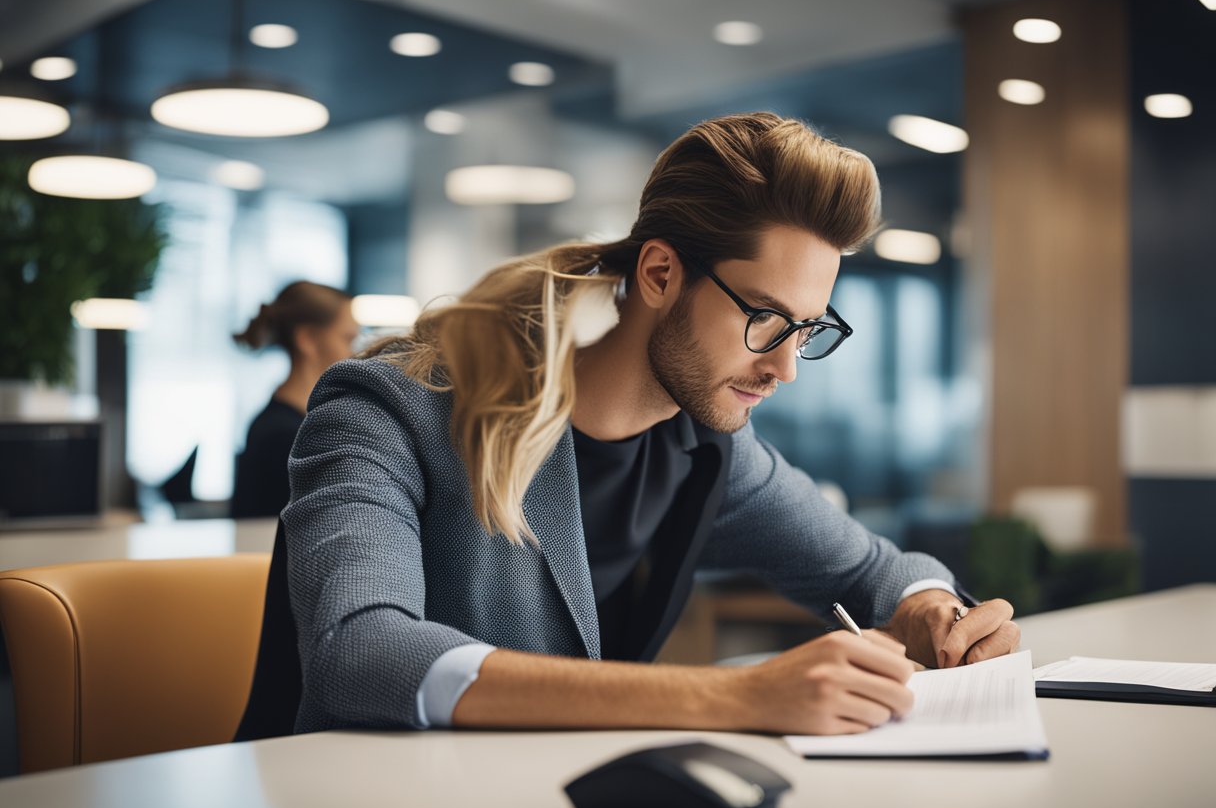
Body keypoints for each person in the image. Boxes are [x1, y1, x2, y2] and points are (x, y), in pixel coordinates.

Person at [249, 112, 1020, 740]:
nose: (785, 368)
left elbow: (868, 571)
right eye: (764, 319)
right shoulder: (389, 408)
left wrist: (929, 609)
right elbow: (360, 651)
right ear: (659, 274)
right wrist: (735, 698)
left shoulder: (710, 448)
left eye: (809, 329)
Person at [230, 281, 359, 519]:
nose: (353, 353)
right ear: (307, 339)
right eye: (347, 339)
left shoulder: (295, 424)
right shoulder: (283, 434)